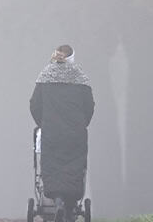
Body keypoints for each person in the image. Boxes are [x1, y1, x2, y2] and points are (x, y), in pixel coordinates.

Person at [30, 44, 94, 222]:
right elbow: (90, 106)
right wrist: (82, 124)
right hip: (75, 134)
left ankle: (57, 201)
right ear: (72, 57)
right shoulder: (81, 78)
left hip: (52, 133)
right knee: (74, 168)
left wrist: (43, 124)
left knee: (52, 167)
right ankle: (69, 207)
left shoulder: (45, 76)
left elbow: (34, 104)